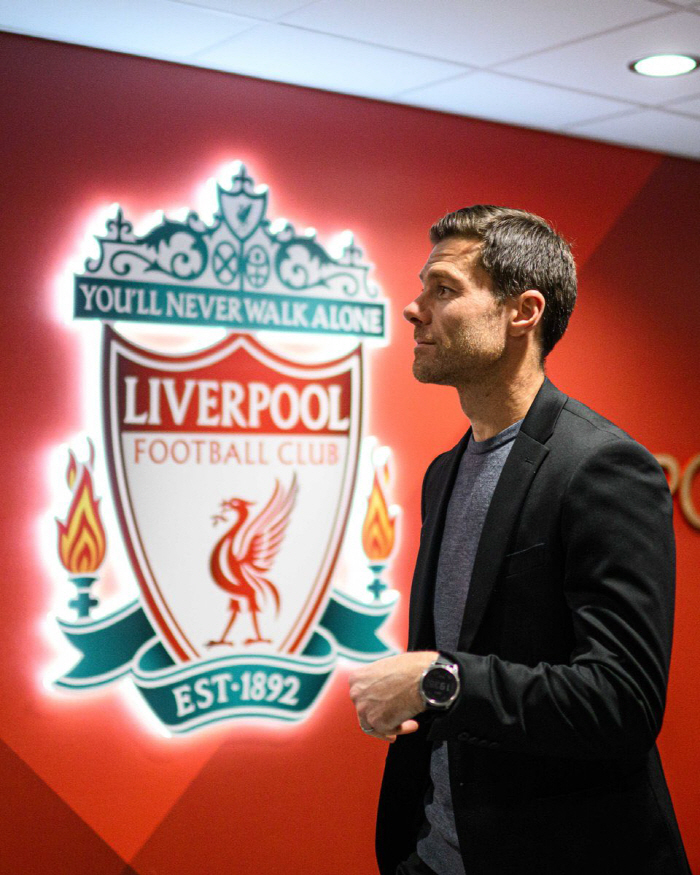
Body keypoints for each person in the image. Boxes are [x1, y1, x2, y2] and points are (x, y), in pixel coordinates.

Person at [348, 206, 690, 875]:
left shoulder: (602, 466)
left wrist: (439, 681)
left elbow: (623, 699)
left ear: (523, 312)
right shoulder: (444, 472)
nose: (414, 309)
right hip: (438, 855)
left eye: (444, 289)